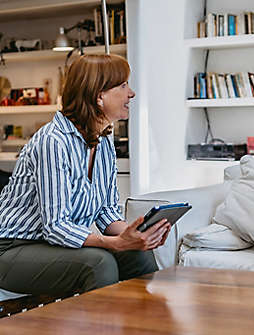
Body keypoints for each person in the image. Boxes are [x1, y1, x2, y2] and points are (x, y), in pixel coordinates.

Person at [0, 54, 171, 296]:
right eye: (122, 86)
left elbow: (106, 211)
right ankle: (101, 334)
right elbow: (56, 227)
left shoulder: (104, 142)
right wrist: (114, 243)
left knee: (137, 255)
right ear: (99, 96)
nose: (131, 94)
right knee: (98, 263)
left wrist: (137, 235)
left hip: (52, 246)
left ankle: (144, 330)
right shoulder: (53, 141)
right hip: (12, 249)